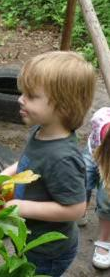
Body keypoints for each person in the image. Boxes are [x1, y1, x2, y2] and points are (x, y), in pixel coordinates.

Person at [1, 51, 96, 277]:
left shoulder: (63, 158)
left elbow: (75, 208)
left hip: (46, 251)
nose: (20, 99)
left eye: (31, 96)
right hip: (30, 239)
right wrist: (7, 174)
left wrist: (21, 207)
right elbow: (30, 162)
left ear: (63, 107)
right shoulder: (41, 130)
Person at [81, 107, 110, 269]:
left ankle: (105, 240)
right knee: (82, 178)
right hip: (95, 151)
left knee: (107, 200)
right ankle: (79, 210)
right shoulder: (100, 118)